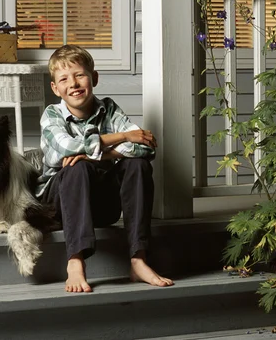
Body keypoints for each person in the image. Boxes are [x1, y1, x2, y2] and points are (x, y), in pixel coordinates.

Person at [38, 44, 174, 293]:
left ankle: (138, 259)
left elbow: (146, 147)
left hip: (102, 207)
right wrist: (120, 137)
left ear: (94, 78)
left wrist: (94, 156)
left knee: (137, 164)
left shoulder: (109, 110)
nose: (74, 84)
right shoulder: (52, 115)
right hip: (60, 205)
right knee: (75, 168)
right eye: (64, 79)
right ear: (55, 88)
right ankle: (75, 260)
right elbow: (67, 148)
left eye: (80, 75)